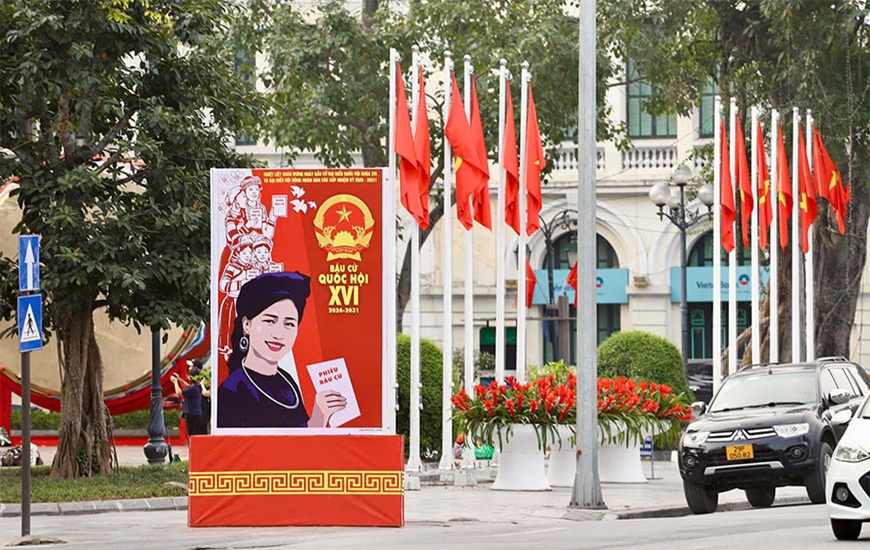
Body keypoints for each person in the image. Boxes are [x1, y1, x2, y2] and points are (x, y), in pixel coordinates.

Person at [217, 271, 347, 428]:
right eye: (270, 321)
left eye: (289, 324)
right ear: (247, 325)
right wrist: (317, 421)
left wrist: (321, 415)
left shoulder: (286, 380)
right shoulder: (232, 391)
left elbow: (298, 437)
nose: (278, 334)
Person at [171, 365, 210, 437]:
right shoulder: (197, 387)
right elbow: (188, 386)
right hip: (197, 414)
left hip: (191, 414)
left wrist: (175, 382)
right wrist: (179, 379)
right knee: (196, 436)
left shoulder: (193, 389)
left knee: (191, 436)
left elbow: (179, 392)